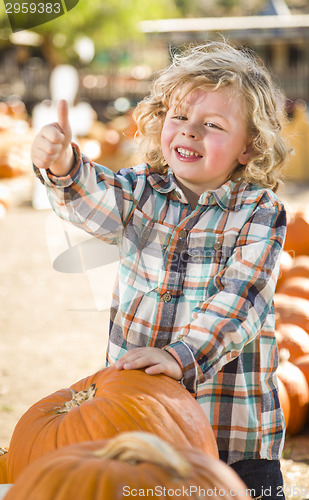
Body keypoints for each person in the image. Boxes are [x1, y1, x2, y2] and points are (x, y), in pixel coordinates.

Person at [31, 40, 289, 499]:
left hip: (235, 432)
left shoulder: (259, 213)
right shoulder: (140, 191)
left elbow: (241, 301)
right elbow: (91, 199)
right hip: (141, 424)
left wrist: (181, 355)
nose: (189, 133)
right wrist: (64, 165)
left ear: (249, 147)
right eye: (179, 118)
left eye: (210, 125)